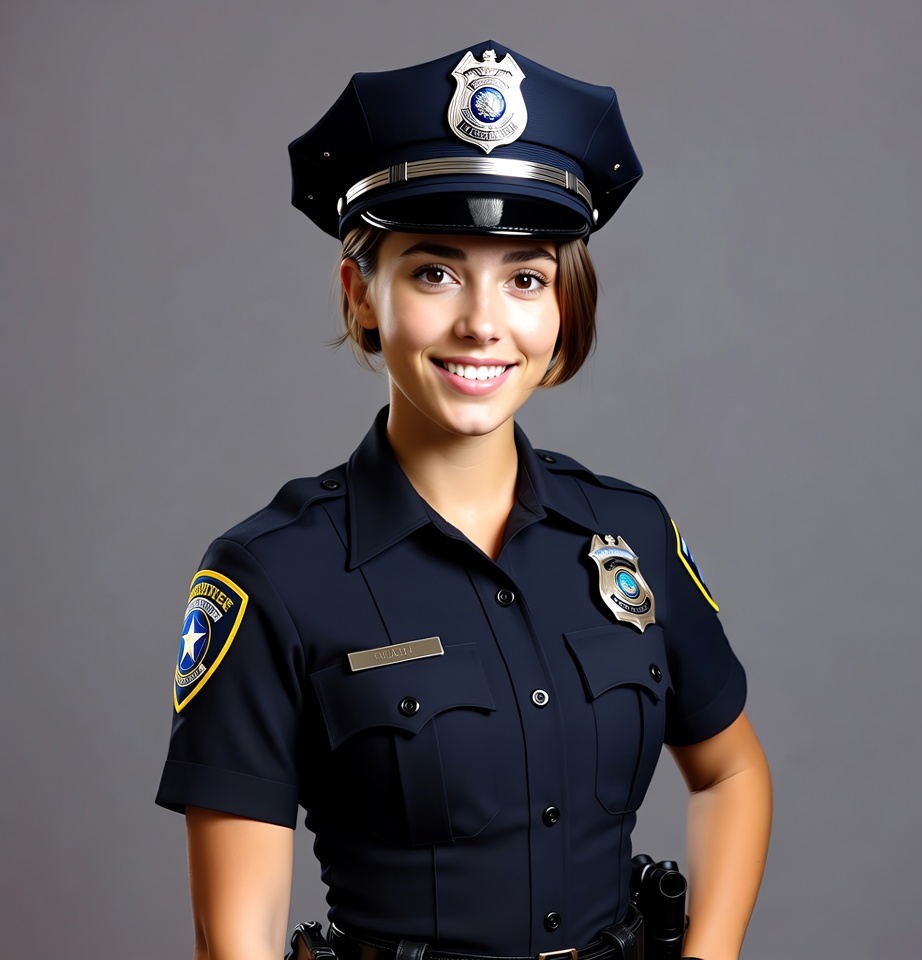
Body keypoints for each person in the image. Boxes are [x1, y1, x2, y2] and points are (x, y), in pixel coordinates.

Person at [157, 41, 772, 960]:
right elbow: (232, 943)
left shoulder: (631, 532)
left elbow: (731, 774)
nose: (483, 322)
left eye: (525, 278)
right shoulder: (272, 578)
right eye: (433, 272)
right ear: (362, 296)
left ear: (562, 307)